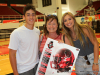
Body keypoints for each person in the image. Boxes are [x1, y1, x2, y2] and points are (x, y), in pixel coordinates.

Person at [8, 4, 40, 75]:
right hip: (24, 70)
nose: (31, 17)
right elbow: (12, 54)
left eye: (33, 14)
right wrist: (15, 73)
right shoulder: (16, 33)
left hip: (37, 66)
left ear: (35, 17)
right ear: (23, 17)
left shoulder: (37, 31)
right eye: (28, 15)